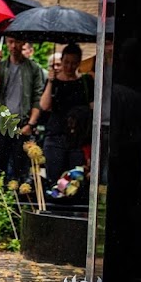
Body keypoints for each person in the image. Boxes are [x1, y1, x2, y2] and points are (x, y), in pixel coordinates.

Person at [0, 35, 45, 184]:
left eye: (17, 42)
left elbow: (37, 98)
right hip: (0, 125)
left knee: (20, 171)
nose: (13, 46)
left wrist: (30, 125)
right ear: (6, 43)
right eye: (10, 42)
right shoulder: (1, 66)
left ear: (23, 43)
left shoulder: (33, 69)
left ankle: (18, 204)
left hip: (21, 125)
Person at [40, 42, 94, 186]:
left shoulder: (86, 81)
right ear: (61, 60)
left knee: (75, 181)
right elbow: (44, 106)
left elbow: (92, 107)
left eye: (74, 63)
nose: (69, 67)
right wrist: (51, 81)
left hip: (77, 140)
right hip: (55, 136)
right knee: (55, 181)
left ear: (79, 63)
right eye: (66, 62)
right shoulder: (54, 81)